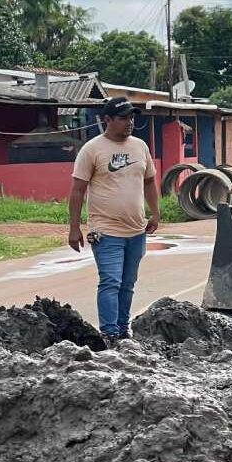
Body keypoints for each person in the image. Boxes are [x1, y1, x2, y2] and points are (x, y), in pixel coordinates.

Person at [67, 96, 159, 344]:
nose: (129, 122)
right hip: (105, 231)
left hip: (136, 229)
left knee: (128, 283)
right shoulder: (92, 149)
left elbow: (150, 181)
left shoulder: (140, 146)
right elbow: (77, 190)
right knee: (111, 281)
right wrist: (74, 227)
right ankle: (109, 333)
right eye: (123, 118)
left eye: (131, 117)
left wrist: (155, 212)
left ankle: (122, 329)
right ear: (107, 119)